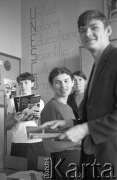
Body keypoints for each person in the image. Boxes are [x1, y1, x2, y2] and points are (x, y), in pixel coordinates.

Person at [42, 10, 117, 179]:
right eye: (83, 30)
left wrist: (83, 128)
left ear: (108, 30)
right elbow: (98, 116)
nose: (88, 33)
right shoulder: (96, 66)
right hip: (91, 161)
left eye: (94, 27)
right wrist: (71, 122)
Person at [41, 67, 81, 180]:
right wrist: (79, 142)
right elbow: (49, 146)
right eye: (58, 82)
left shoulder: (68, 107)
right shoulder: (51, 107)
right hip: (61, 166)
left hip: (73, 165)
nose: (63, 86)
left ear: (72, 82)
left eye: (66, 81)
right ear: (51, 85)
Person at [5, 72, 45, 170]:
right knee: (17, 174)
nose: (23, 86)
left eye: (26, 83)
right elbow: (6, 126)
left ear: (32, 83)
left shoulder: (40, 101)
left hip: (36, 140)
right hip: (18, 141)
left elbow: (44, 127)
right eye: (21, 83)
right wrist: (15, 120)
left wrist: (39, 118)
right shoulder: (12, 101)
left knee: (37, 173)